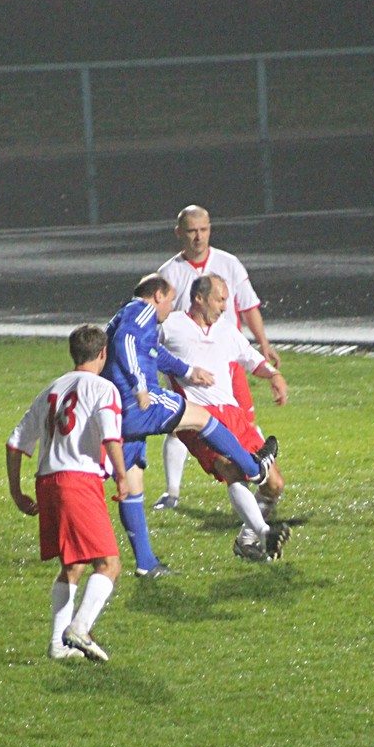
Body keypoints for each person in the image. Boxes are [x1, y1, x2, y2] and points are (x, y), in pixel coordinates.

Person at [103, 273, 280, 578]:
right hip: (137, 402)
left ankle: (146, 564)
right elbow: (126, 342)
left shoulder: (127, 316)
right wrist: (139, 386)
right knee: (201, 418)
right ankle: (254, 469)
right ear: (158, 296)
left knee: (131, 484)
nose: (171, 307)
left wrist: (187, 370)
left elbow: (152, 353)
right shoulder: (141, 311)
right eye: (170, 300)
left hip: (116, 410)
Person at [6, 324, 131, 662]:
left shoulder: (52, 388)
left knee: (73, 564)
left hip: (47, 483)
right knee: (109, 564)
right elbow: (111, 436)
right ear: (103, 353)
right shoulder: (104, 388)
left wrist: (17, 492)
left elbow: (15, 443)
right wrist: (122, 476)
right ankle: (80, 628)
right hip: (78, 482)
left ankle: (58, 646)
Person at [153, 205, 280, 512]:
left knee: (243, 424)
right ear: (179, 233)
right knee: (187, 429)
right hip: (188, 370)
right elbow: (148, 332)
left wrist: (264, 346)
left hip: (228, 360)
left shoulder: (229, 264)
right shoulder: (169, 274)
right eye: (192, 231)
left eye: (204, 230)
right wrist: (178, 368)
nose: (198, 237)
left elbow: (248, 306)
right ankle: (173, 491)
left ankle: (258, 492)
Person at [163, 274, 291, 560]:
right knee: (231, 468)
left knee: (274, 484)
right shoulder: (171, 325)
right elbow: (140, 347)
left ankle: (246, 541)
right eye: (220, 300)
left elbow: (252, 359)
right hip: (196, 416)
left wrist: (274, 375)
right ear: (199, 298)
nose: (224, 306)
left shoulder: (226, 330)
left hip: (233, 416)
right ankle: (264, 533)